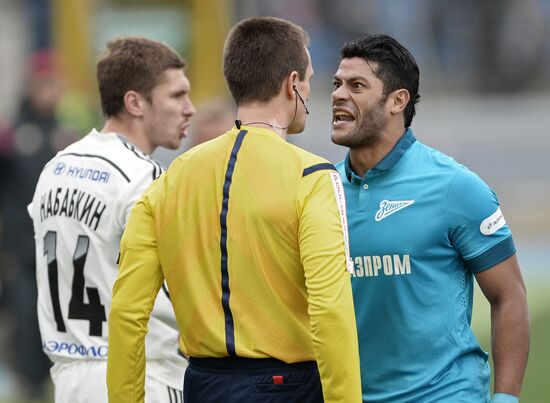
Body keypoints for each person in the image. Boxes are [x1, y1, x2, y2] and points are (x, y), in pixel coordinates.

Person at [107, 16, 362, 403]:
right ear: (292, 83)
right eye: (310, 79)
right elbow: (330, 308)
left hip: (202, 383)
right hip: (287, 387)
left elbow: (127, 311)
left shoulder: (170, 180)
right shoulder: (311, 175)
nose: (312, 93)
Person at [331, 33, 530, 403]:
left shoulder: (455, 187)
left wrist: (505, 399)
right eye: (337, 84)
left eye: (357, 85)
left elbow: (509, 296)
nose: (339, 94)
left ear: (397, 101)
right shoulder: (321, 190)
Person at [28, 36, 195, 402]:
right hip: (140, 375)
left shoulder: (55, 168)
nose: (190, 109)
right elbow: (183, 296)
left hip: (69, 378)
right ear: (134, 102)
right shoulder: (144, 177)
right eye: (177, 95)